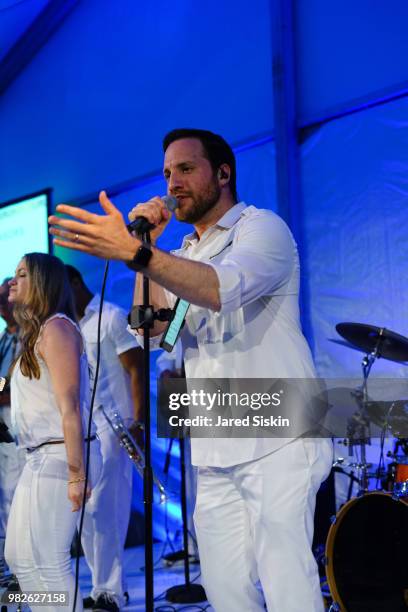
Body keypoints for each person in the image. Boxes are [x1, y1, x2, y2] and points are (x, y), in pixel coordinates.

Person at [49, 128, 333, 611]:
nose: (172, 182)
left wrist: (139, 253)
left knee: (286, 584)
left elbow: (221, 288)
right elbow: (158, 333)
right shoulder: (180, 255)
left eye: (185, 169)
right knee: (225, 592)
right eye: (166, 173)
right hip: (216, 442)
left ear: (223, 173)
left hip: (280, 433)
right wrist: (145, 254)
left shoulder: (262, 229)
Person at [4, 252, 101, 612]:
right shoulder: (36, 333)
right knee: (19, 558)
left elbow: (70, 406)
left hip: (61, 455)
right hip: (39, 457)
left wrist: (77, 474)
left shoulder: (58, 328)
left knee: (49, 561)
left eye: (22, 274)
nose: (13, 281)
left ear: (43, 282)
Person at [66, 264, 144, 612]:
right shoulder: (69, 327)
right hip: (86, 430)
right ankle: (102, 587)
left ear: (74, 284)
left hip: (115, 427)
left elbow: (136, 368)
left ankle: (110, 590)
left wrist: (139, 422)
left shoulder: (111, 316)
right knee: (87, 512)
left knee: (106, 508)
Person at [0, 278, 24, 588]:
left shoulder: (29, 336)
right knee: (6, 496)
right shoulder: (6, 337)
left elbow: (11, 382)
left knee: (18, 496)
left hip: (21, 425)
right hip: (3, 426)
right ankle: (11, 568)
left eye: (5, 296)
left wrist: (1, 387)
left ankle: (22, 570)